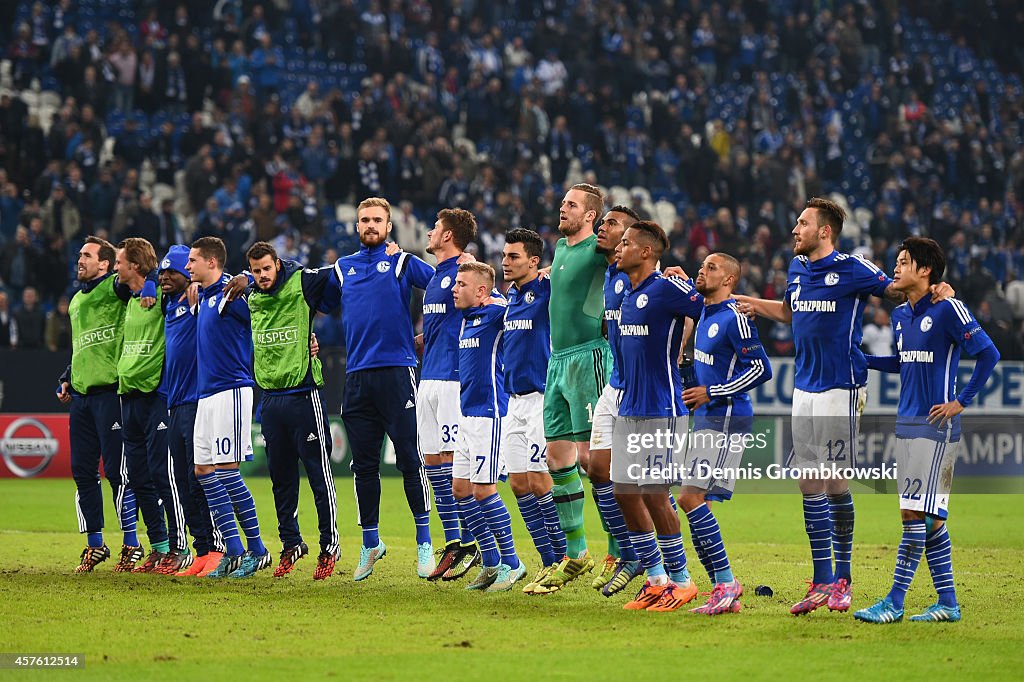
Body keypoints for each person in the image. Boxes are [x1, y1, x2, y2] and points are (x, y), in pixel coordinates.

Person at [736, 197, 954, 615]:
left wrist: (939, 288)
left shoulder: (854, 268)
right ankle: (820, 580)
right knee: (807, 481)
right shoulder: (797, 269)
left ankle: (843, 579)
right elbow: (788, 312)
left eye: (802, 223)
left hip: (842, 385)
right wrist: (748, 303)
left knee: (833, 481)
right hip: (804, 386)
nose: (794, 229)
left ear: (824, 231)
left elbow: (895, 290)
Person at [854, 238, 998, 624]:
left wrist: (961, 400)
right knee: (931, 518)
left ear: (925, 270)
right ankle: (948, 603)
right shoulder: (901, 316)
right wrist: (864, 360)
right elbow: (905, 363)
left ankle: (895, 601)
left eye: (904, 262)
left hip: (936, 427)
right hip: (907, 423)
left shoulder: (949, 308)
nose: (896, 268)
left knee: (912, 512)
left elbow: (989, 353)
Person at [325, 197, 434, 581]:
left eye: (377, 220)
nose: (370, 225)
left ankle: (424, 543)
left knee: (409, 457)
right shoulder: (342, 268)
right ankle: (371, 543)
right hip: (357, 377)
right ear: (356, 227)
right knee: (363, 465)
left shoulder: (402, 262)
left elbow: (445, 285)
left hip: (396, 372)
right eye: (364, 220)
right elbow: (302, 295)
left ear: (389, 226)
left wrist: (429, 335)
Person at [609, 221, 704, 612]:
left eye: (627, 243)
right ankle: (655, 579)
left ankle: (682, 580)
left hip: (661, 407)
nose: (619, 247)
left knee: (653, 492)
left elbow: (707, 305)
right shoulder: (628, 294)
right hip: (630, 406)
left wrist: (689, 284)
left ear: (647, 252)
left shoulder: (664, 287)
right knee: (623, 492)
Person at [680, 252, 773, 615]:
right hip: (706, 417)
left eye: (711, 268)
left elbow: (761, 369)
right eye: (701, 266)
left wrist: (712, 392)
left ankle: (726, 583)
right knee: (692, 503)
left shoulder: (736, 318)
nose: (702, 271)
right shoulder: (704, 311)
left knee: (690, 500)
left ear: (730, 280)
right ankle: (722, 590)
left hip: (727, 417)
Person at [243, 240, 340, 580]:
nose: (261, 276)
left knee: (318, 474)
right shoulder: (250, 296)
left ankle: (330, 544)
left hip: (304, 395)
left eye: (266, 269)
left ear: (278, 264)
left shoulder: (301, 282)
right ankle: (291, 543)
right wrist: (242, 278)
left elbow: (336, 275)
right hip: (269, 399)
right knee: (281, 480)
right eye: (255, 271)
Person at [57, 236, 154, 572]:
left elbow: (145, 275)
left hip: (111, 394)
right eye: (79, 254)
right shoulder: (74, 302)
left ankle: (132, 543)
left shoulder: (114, 288)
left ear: (104, 263)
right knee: (83, 472)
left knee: (117, 472)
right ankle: (95, 545)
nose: (79, 259)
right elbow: (82, 347)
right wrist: (68, 376)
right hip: (81, 398)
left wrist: (153, 288)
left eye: (87, 255)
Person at [533, 183, 612, 593]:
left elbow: (633, 256)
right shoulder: (561, 250)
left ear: (591, 216)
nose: (562, 208)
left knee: (593, 459)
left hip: (589, 356)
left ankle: (620, 549)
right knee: (557, 456)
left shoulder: (599, 249)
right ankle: (577, 552)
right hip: (557, 360)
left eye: (572, 205)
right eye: (562, 202)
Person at [186, 236, 270, 579]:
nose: (188, 266)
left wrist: (248, 279)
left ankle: (258, 549)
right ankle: (233, 552)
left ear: (211, 262)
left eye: (193, 261)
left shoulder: (231, 293)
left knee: (226, 471)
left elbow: (265, 304)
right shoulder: (204, 296)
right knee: (203, 471)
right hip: (205, 396)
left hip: (231, 391)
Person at [500, 228, 568, 593]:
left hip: (542, 398)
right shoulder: (510, 297)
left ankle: (562, 561)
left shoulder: (545, 290)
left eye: (513, 257)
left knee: (542, 481)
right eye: (505, 256)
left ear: (534, 261)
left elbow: (572, 270)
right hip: (512, 402)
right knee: (519, 483)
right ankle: (547, 561)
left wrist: (553, 271)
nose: (505, 262)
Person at [114, 238, 187, 573]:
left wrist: (155, 279)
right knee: (140, 476)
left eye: (120, 262)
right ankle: (158, 546)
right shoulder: (129, 298)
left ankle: (180, 546)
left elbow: (180, 271)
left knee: (163, 473)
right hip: (128, 395)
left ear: (136, 265)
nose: (116, 267)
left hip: (155, 395)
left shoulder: (161, 295)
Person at [450, 261, 525, 591]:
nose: (454, 288)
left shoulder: (498, 314)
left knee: (484, 490)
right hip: (467, 415)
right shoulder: (467, 318)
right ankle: (491, 562)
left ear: (481, 291)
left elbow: (513, 306)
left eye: (461, 284)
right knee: (460, 491)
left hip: (491, 415)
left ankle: (513, 563)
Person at [418, 208, 481, 581]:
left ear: (447, 236)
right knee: (433, 462)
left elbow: (484, 302)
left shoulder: (465, 272)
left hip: (454, 379)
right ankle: (455, 541)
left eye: (435, 227)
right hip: (429, 375)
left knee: (456, 463)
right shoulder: (438, 276)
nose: (429, 231)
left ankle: (473, 541)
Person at [586, 205, 645, 597]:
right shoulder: (610, 275)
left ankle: (658, 562)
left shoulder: (649, 278)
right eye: (604, 223)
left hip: (642, 392)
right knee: (597, 470)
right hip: (614, 385)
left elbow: (690, 306)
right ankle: (631, 551)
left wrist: (678, 354)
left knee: (647, 486)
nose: (603, 229)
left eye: (613, 226)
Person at [158, 245, 226, 577]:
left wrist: (234, 277)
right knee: (185, 484)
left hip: (199, 400)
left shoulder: (197, 299)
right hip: (175, 403)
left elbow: (225, 281)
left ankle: (217, 547)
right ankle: (202, 550)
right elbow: (134, 278)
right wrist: (146, 287)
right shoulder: (168, 305)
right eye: (162, 272)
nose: (165, 277)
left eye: (172, 271)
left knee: (199, 479)